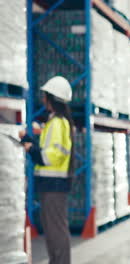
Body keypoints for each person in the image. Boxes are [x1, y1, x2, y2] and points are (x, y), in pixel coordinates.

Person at [21, 76, 73, 264]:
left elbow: (54, 154)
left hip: (54, 184)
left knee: (56, 230)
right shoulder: (54, 122)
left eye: (45, 96)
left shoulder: (58, 123)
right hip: (51, 184)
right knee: (52, 230)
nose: (43, 99)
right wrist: (32, 144)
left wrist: (33, 151)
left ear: (52, 98)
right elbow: (48, 148)